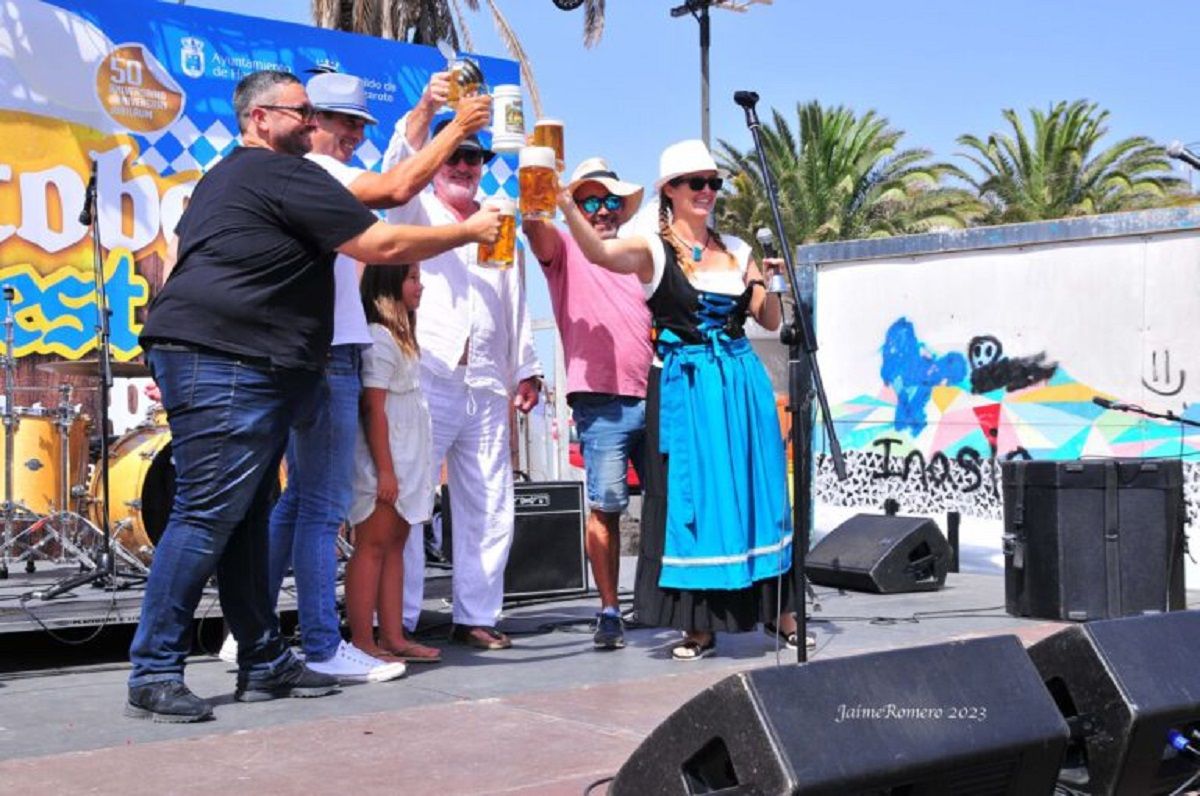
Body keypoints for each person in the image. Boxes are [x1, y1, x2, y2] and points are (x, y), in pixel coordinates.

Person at [126, 69, 501, 723]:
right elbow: (379, 238)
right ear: (260, 118)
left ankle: (265, 661)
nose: (313, 123)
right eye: (302, 113)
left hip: (243, 357)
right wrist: (468, 230)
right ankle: (153, 668)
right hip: (226, 356)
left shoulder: (240, 176)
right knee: (207, 516)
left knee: (248, 517)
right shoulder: (281, 172)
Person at [255, 71, 492, 683]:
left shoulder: (306, 176)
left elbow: (395, 175)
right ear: (305, 122)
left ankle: (253, 630)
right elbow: (396, 186)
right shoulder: (320, 173)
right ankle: (327, 644)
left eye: (361, 123)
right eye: (340, 122)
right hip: (328, 354)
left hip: (324, 350)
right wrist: (458, 133)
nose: (353, 134)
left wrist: (426, 111)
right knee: (325, 509)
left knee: (302, 503)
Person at [559, 139, 797, 661]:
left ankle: (779, 611)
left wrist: (772, 279)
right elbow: (599, 252)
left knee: (758, 493)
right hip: (688, 386)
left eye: (714, 182)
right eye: (696, 183)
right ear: (670, 189)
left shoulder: (736, 248)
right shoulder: (651, 247)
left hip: (739, 382)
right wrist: (562, 202)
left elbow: (772, 321)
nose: (707, 192)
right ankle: (700, 626)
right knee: (695, 502)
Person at [383, 80, 543, 651]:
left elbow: (515, 298)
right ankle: (397, 616)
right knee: (411, 497)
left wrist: (525, 366)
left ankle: (476, 612)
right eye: (455, 155)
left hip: (485, 378)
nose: (465, 165)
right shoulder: (416, 204)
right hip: (426, 370)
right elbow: (400, 160)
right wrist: (429, 111)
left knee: (490, 499)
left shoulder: (499, 218)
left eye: (475, 156)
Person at [522, 157, 652, 650]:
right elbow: (537, 231)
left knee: (667, 504)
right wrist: (540, 183)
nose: (602, 210)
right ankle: (609, 610)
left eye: (610, 201)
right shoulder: (568, 249)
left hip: (656, 394)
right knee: (607, 507)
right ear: (575, 206)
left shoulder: (642, 253)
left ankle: (666, 602)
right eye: (591, 201)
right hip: (601, 402)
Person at [345, 263, 441, 663]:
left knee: (396, 546)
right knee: (372, 545)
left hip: (408, 463)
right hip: (387, 463)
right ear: (389, 284)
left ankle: (393, 635)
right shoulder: (378, 338)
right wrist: (385, 469)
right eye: (412, 278)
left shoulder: (403, 340)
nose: (420, 286)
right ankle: (363, 640)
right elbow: (374, 408)